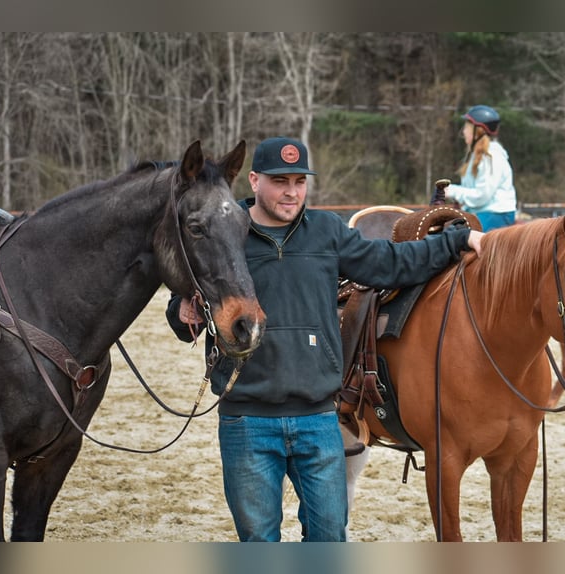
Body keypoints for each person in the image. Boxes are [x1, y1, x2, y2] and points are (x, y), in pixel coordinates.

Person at [165, 136, 484, 542]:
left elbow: (392, 264)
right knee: (259, 542)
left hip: (318, 418)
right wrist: (181, 311)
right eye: (281, 181)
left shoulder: (327, 231)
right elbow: (182, 308)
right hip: (247, 420)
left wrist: (454, 240)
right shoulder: (226, 230)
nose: (292, 191)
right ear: (255, 180)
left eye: (299, 181)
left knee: (330, 537)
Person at [445, 104, 517, 231]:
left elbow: (482, 195)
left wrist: (452, 191)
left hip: (496, 214)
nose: (464, 131)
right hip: (483, 212)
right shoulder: (476, 155)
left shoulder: (492, 156)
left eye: (467, 127)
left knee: (456, 239)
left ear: (479, 131)